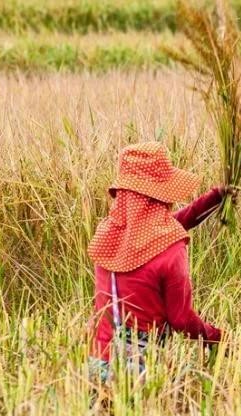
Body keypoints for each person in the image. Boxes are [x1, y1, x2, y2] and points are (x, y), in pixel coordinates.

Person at [87, 142, 231, 379]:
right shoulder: (170, 251)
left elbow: (160, 229)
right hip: (138, 369)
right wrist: (216, 338)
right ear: (161, 195)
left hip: (96, 361)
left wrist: (215, 198)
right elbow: (181, 320)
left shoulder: (108, 234)